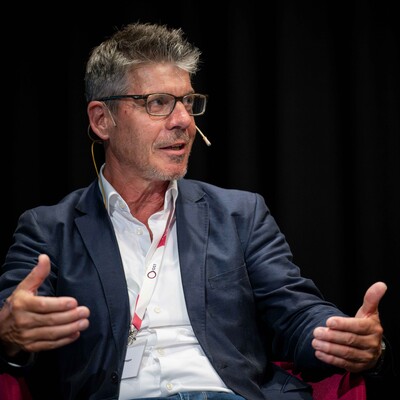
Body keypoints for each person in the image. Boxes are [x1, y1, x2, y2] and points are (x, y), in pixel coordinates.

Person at [0, 22, 389, 400]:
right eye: (158, 103)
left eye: (187, 102)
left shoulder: (239, 214)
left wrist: (342, 337)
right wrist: (10, 333)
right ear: (103, 120)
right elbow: (14, 320)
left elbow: (295, 312)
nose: (184, 121)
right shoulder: (48, 229)